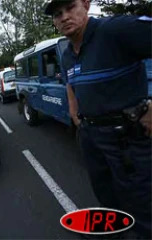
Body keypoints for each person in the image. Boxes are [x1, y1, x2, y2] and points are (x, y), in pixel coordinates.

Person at [45, 0, 151, 238]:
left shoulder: (116, 30)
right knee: (108, 199)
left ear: (86, 4)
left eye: (70, 7)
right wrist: (75, 113)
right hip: (91, 137)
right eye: (57, 14)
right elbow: (70, 83)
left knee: (141, 207)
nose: (64, 17)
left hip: (127, 138)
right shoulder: (67, 55)